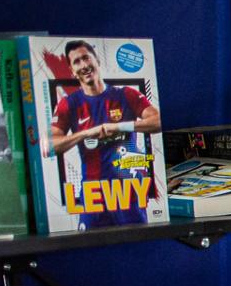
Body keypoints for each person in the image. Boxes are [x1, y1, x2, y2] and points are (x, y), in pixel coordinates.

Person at [48, 39, 161, 229]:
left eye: (86, 58)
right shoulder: (69, 104)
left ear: (97, 60)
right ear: (72, 71)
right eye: (77, 62)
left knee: (137, 243)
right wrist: (85, 133)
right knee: (88, 246)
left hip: (128, 192)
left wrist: (119, 127)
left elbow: (158, 121)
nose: (84, 65)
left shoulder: (125, 94)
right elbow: (50, 145)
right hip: (94, 194)